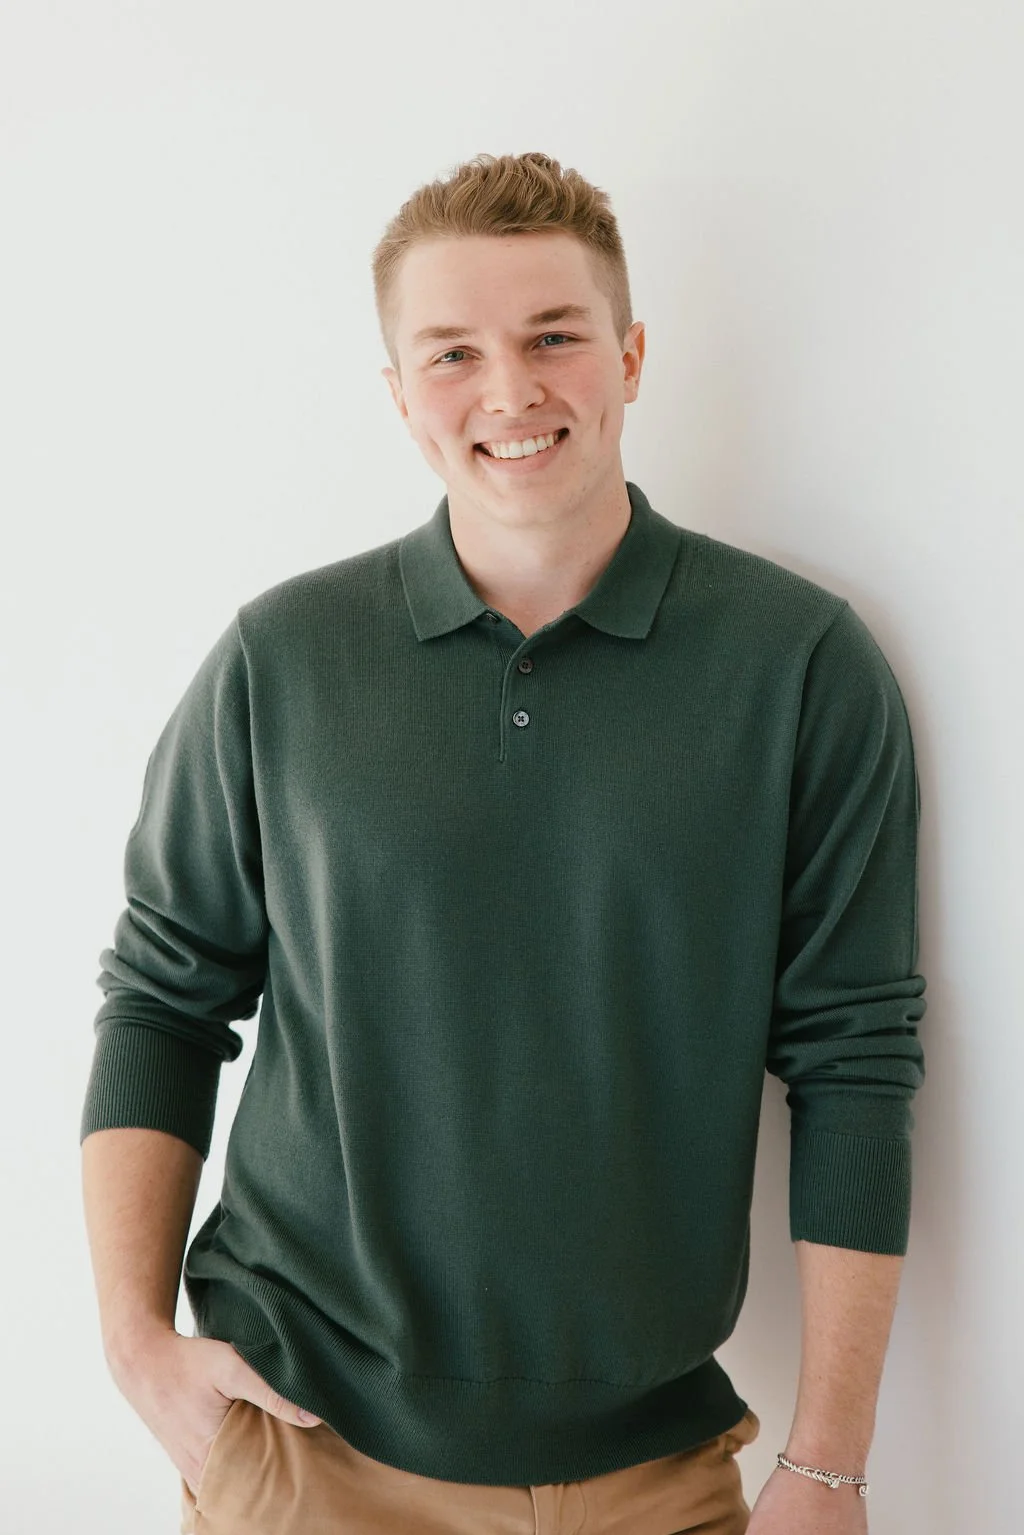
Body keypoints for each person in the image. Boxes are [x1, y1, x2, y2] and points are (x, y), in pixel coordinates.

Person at [80, 151, 926, 1535]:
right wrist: (133, 1344)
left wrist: (831, 1461)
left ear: (631, 356)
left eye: (554, 337)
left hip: (655, 1471)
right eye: (454, 353)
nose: (511, 391)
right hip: (308, 1451)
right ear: (399, 393)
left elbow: (854, 1055)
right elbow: (163, 998)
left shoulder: (799, 664)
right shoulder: (282, 659)